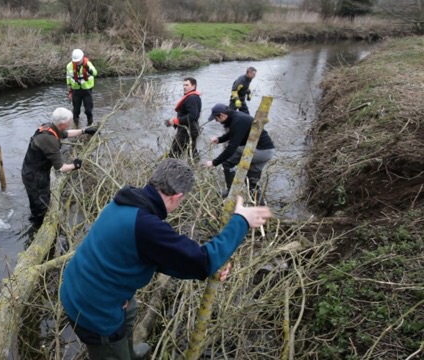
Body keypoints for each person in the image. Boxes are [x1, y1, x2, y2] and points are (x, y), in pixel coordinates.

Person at [60, 158, 272, 360]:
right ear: (177, 197)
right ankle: (116, 352)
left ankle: (128, 352)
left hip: (79, 282)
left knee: (130, 308)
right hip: (90, 309)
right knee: (109, 340)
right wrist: (241, 221)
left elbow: (156, 254)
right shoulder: (146, 226)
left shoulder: (128, 199)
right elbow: (202, 261)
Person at [21, 107, 98, 225]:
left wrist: (85, 130)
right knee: (40, 205)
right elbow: (61, 168)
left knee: (42, 198)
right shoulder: (49, 140)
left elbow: (66, 134)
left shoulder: (50, 127)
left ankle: (38, 219)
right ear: (62, 124)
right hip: (34, 176)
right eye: (69, 122)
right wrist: (75, 165)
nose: (71, 123)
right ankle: (37, 227)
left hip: (35, 170)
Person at [205, 103, 275, 204]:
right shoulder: (236, 117)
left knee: (227, 162)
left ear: (222, 115)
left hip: (260, 151)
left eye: (216, 118)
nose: (216, 121)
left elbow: (231, 147)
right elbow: (233, 134)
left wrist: (214, 162)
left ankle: (230, 191)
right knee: (252, 183)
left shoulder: (237, 121)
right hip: (267, 151)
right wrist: (219, 139)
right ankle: (261, 209)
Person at [165, 77, 202, 160]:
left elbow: (192, 116)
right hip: (191, 129)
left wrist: (176, 121)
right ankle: (197, 167)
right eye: (183, 85)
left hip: (186, 131)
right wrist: (174, 123)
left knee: (174, 154)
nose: (184, 87)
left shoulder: (192, 98)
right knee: (192, 153)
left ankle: (170, 170)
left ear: (193, 86)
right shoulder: (194, 97)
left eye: (187, 85)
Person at [66, 48, 98, 127]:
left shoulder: (88, 64)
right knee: (76, 111)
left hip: (87, 90)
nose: (76, 62)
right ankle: (76, 127)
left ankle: (90, 126)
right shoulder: (69, 66)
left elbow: (95, 73)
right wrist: (69, 92)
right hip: (76, 91)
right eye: (75, 61)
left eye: (78, 61)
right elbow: (68, 79)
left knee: (88, 110)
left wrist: (89, 70)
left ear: (82, 58)